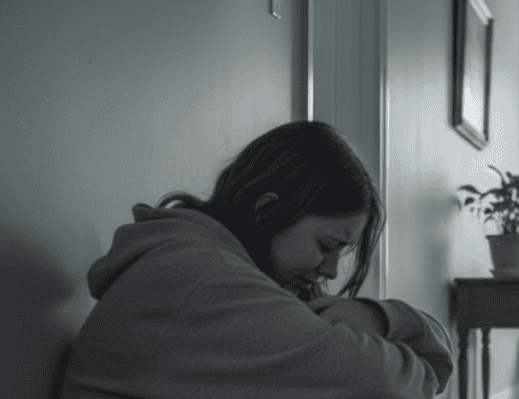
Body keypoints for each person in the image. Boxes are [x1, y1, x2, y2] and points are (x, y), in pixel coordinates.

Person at [59, 121, 454, 399]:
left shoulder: (207, 265)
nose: (331, 271)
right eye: (325, 245)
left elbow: (434, 358)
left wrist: (379, 317)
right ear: (268, 211)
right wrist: (394, 326)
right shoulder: (205, 281)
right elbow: (386, 384)